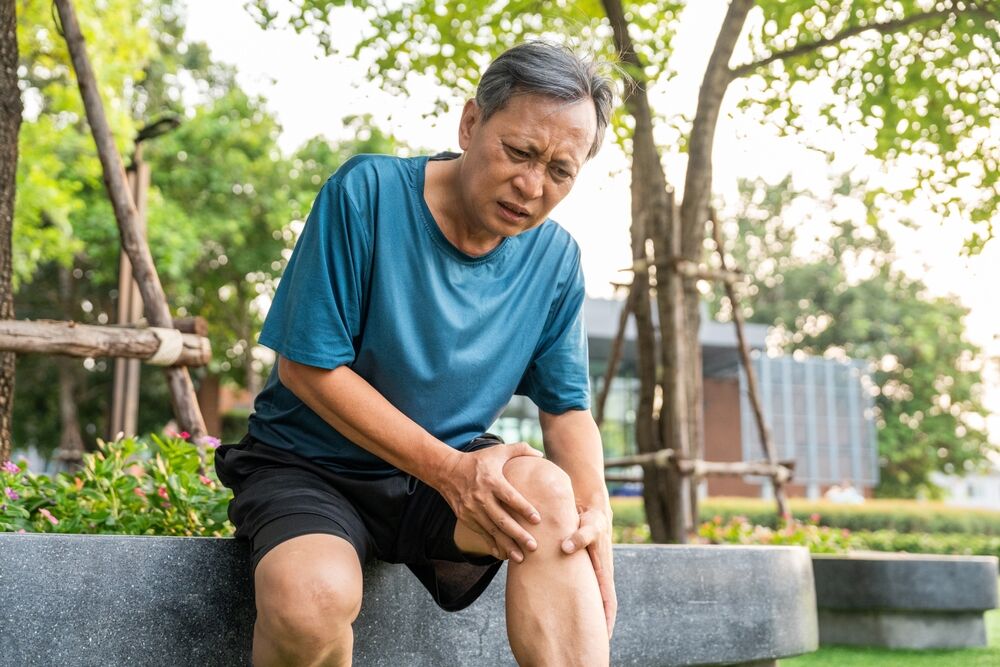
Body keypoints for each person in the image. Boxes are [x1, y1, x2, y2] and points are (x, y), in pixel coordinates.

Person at [214, 41, 618, 667]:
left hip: (444, 480)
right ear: (470, 122)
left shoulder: (556, 260)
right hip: (311, 467)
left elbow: (567, 411)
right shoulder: (367, 192)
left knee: (551, 501)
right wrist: (453, 474)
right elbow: (307, 367)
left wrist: (597, 523)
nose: (531, 186)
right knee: (309, 598)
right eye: (519, 152)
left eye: (560, 171)